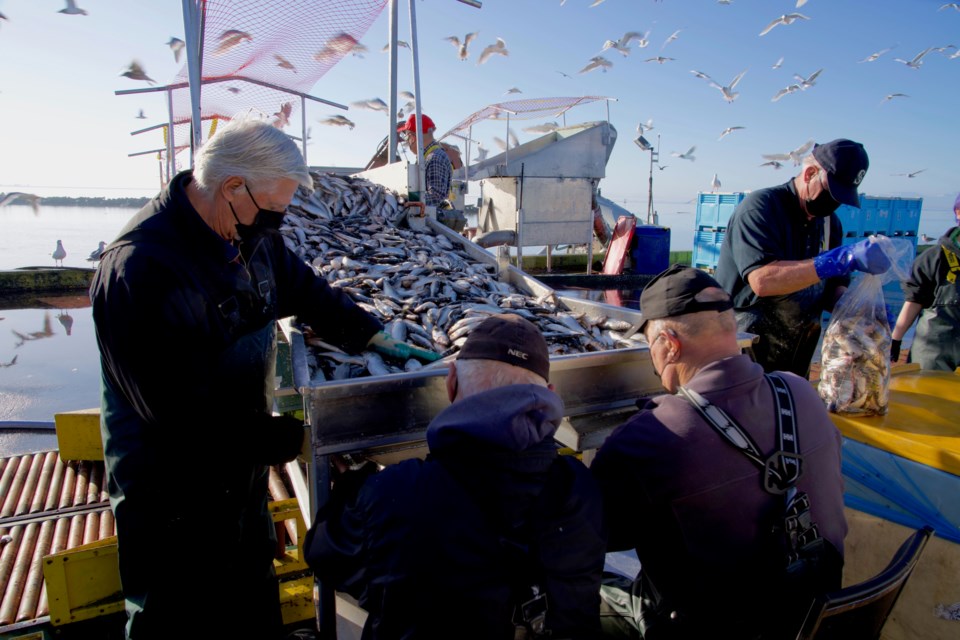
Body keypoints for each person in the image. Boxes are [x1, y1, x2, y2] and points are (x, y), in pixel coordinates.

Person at [90, 117, 412, 639]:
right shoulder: (141, 268)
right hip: (169, 486)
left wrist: (369, 334)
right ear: (232, 187)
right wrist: (301, 439)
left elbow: (303, 288)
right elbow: (179, 416)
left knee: (250, 597)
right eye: (270, 213)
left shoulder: (246, 230)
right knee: (176, 617)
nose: (275, 227)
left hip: (237, 465)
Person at [304, 314, 607, 640]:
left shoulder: (393, 495)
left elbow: (322, 554)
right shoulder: (583, 489)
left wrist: (353, 484)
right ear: (548, 393)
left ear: (450, 383)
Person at [591, 265, 848, 639]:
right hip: (813, 616)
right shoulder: (801, 392)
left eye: (650, 345)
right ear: (732, 331)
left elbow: (593, 534)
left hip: (711, 626)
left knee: (565, 592)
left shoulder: (649, 436)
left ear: (669, 344)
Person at [715, 138, 891, 378]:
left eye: (843, 197)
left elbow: (832, 288)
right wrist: (836, 260)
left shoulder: (830, 225)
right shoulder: (761, 208)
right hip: (747, 353)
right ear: (809, 173)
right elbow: (763, 280)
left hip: (798, 354)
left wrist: (861, 309)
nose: (835, 203)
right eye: (832, 192)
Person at [890, 192, 960, 370]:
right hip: (933, 359)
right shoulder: (934, 258)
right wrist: (896, 338)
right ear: (958, 213)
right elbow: (914, 300)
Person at [396, 113, 459, 207]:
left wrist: (406, 198)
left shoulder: (434, 158)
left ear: (412, 138)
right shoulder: (427, 157)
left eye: (406, 137)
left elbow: (436, 197)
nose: (407, 141)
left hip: (433, 219)